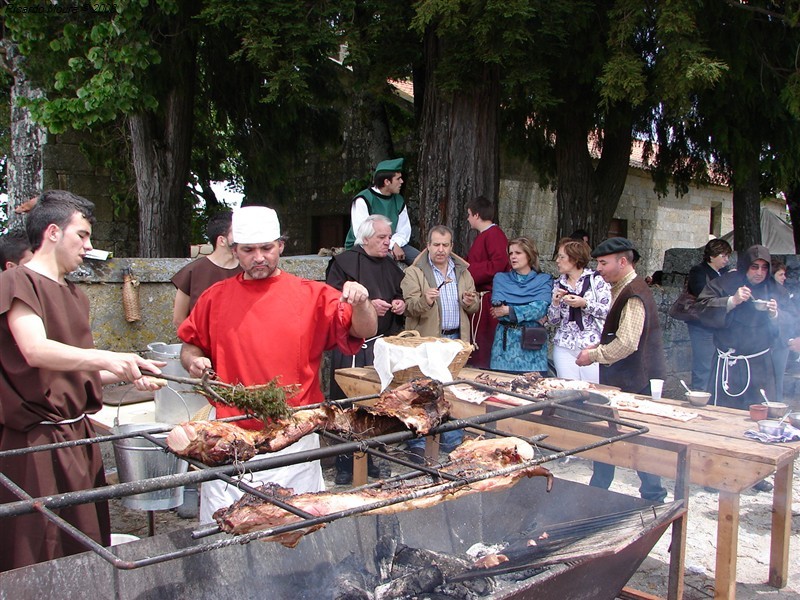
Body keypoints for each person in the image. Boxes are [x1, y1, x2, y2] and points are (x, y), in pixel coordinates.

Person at [178, 206, 377, 522]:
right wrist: (194, 361)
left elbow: (365, 329)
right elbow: (190, 345)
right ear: (234, 250)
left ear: (281, 245)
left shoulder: (312, 295)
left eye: (267, 248)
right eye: (248, 250)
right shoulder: (214, 298)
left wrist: (363, 302)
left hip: (294, 441)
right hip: (231, 439)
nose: (259, 257)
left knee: (296, 534)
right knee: (225, 536)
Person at [0, 190, 164, 571]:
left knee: (85, 545)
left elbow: (74, 370)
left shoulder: (74, 294)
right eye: (83, 236)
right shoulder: (16, 282)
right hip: (36, 443)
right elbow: (36, 351)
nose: (89, 246)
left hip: (79, 438)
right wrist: (106, 357)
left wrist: (130, 370)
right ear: (54, 232)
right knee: (40, 549)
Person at [576, 237, 668, 502]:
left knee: (639, 446)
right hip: (626, 381)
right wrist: (601, 344)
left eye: (603, 263)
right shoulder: (624, 288)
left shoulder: (634, 293)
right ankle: (596, 494)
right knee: (609, 438)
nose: (599, 269)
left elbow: (628, 343)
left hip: (635, 383)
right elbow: (622, 335)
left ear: (623, 261)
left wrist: (594, 355)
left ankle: (653, 500)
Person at [326, 215, 406, 483]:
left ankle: (369, 457)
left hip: (379, 345)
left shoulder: (390, 266)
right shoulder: (345, 263)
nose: (388, 242)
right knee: (348, 405)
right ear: (366, 238)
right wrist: (368, 306)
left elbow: (399, 293)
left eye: (388, 237)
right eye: (382, 237)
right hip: (351, 345)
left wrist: (398, 305)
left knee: (374, 406)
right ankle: (345, 465)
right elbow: (333, 302)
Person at [401, 224, 480, 460]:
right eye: (436, 244)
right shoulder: (414, 272)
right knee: (424, 394)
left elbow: (474, 306)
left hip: (456, 341)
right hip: (428, 342)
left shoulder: (463, 272)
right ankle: (419, 443)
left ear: (451, 246)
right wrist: (425, 300)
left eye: (445, 245)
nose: (441, 250)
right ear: (428, 246)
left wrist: (469, 302)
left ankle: (451, 439)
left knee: (452, 393)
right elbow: (409, 308)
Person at [695, 245, 791, 410]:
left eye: (764, 267)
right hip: (727, 365)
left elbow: (792, 321)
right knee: (722, 416)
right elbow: (701, 308)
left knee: (758, 416)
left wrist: (775, 315)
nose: (759, 272)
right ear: (746, 266)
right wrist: (731, 301)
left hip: (760, 367)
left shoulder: (777, 291)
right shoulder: (724, 283)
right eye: (754, 267)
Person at [547, 238, 611, 382]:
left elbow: (607, 311)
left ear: (575, 259)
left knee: (592, 390)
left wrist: (585, 304)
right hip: (564, 345)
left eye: (561, 257)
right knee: (567, 389)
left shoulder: (596, 281)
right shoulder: (558, 283)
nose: (557, 260)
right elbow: (553, 321)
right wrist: (556, 303)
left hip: (591, 345)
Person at [489, 237, 553, 374]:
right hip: (504, 349)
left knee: (533, 392)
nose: (513, 257)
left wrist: (510, 310)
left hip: (533, 348)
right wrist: (527, 314)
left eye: (518, 253)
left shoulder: (543, 280)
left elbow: (539, 309)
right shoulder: (501, 279)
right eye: (511, 253)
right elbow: (498, 312)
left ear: (529, 255)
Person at [171, 211, 241, 327]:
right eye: (237, 232)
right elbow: (179, 320)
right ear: (221, 240)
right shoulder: (193, 272)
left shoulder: (248, 271)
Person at [344, 158, 419, 265]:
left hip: (394, 243)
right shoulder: (363, 199)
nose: (402, 182)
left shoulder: (398, 200)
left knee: (423, 262)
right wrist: (391, 245)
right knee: (386, 263)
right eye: (398, 179)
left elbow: (404, 230)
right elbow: (362, 234)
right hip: (365, 245)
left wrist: (394, 244)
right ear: (387, 182)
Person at [465, 195, 510, 368]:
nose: (468, 219)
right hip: (481, 299)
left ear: (476, 215)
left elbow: (498, 264)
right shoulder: (486, 235)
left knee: (484, 345)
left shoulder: (494, 235)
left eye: (469, 214)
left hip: (489, 299)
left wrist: (468, 271)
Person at [685, 239, 732, 391]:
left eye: (727, 256)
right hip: (701, 325)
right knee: (703, 364)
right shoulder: (698, 271)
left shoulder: (725, 272)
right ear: (712, 256)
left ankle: (714, 395)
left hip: (720, 324)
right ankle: (699, 395)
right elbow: (702, 294)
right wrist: (724, 280)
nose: (727, 260)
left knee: (719, 363)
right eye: (723, 256)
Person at [769, 258, 792, 402]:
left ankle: (777, 403)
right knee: (776, 377)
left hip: (782, 340)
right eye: (780, 275)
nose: (784, 278)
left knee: (778, 376)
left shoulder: (784, 291)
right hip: (776, 341)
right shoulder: (778, 291)